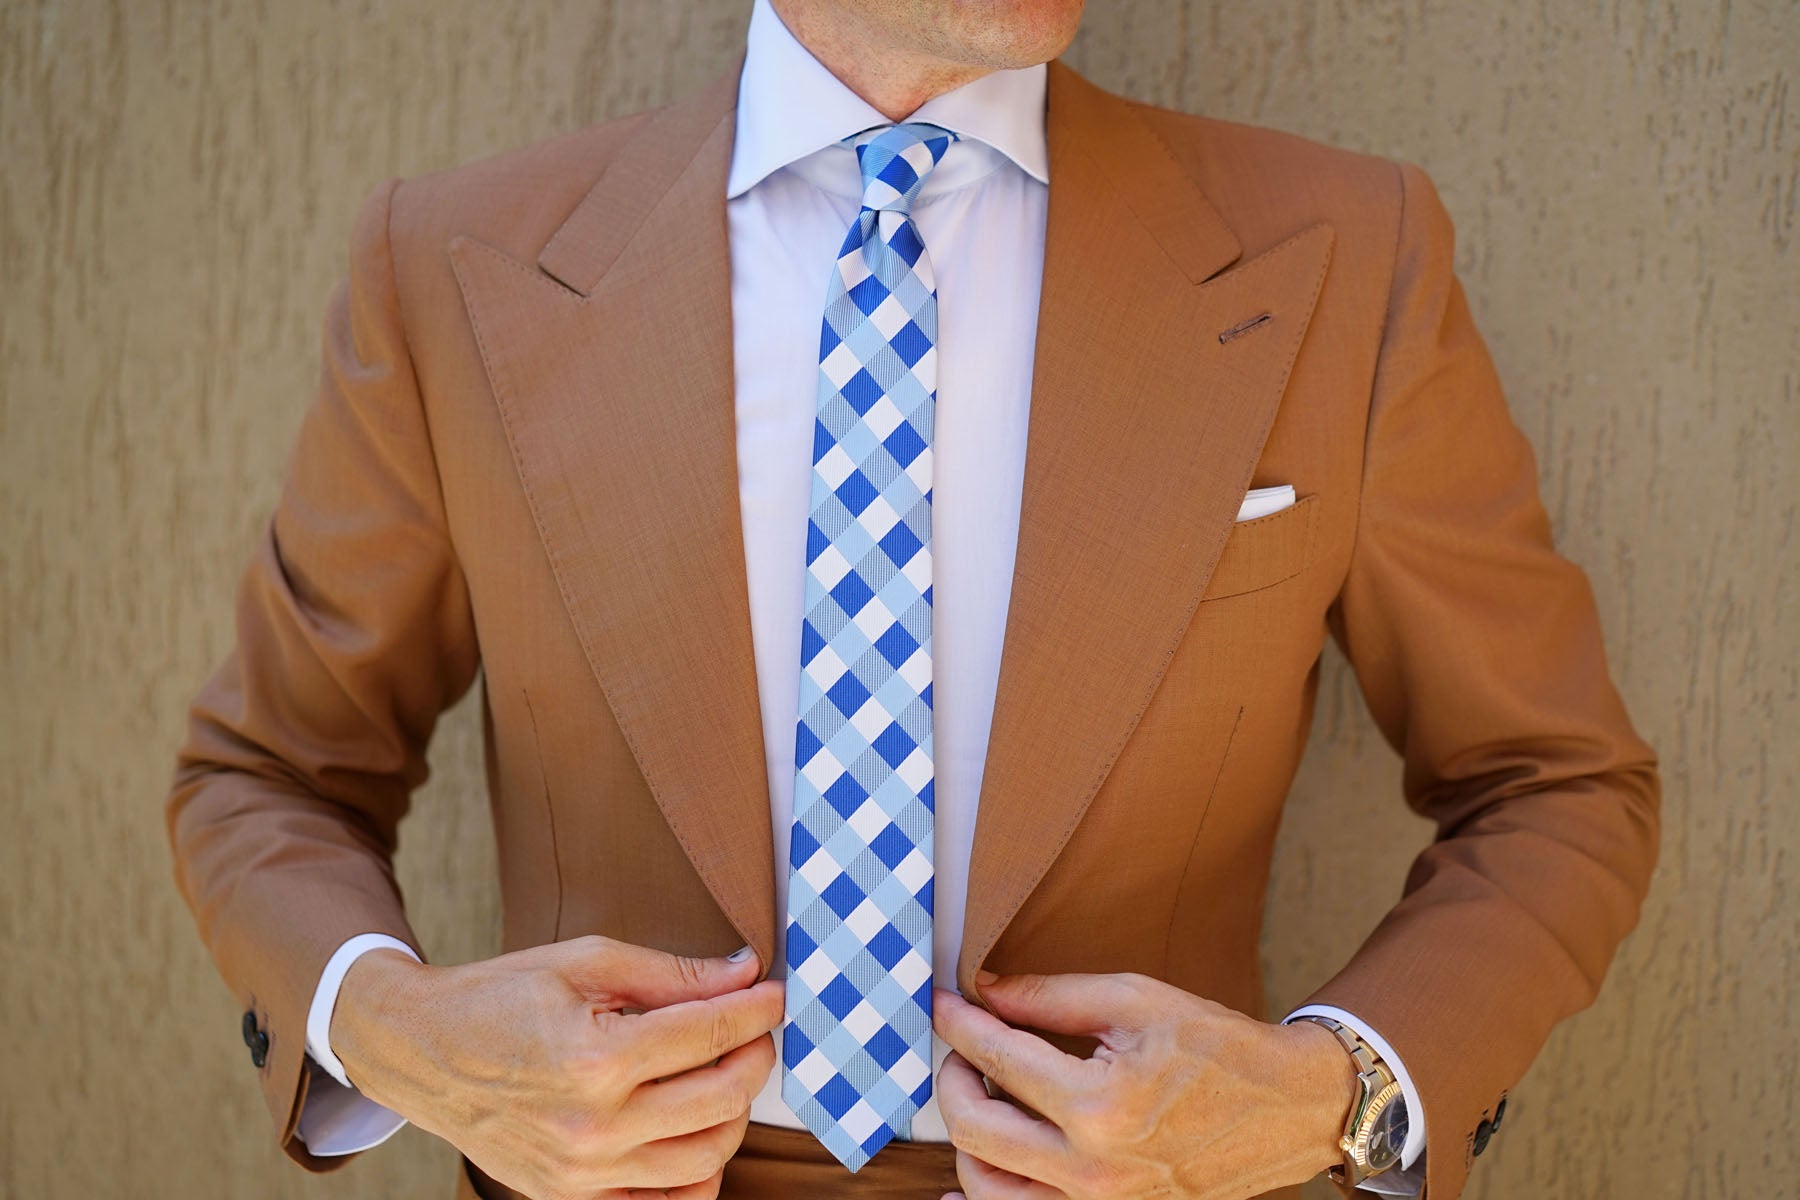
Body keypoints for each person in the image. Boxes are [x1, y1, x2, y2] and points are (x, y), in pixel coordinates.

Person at [165, 1, 1661, 1198]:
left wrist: (1337, 1093)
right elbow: (270, 776)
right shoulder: (453, 267)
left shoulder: (1347, 251)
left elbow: (1556, 789)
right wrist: (399, 1033)